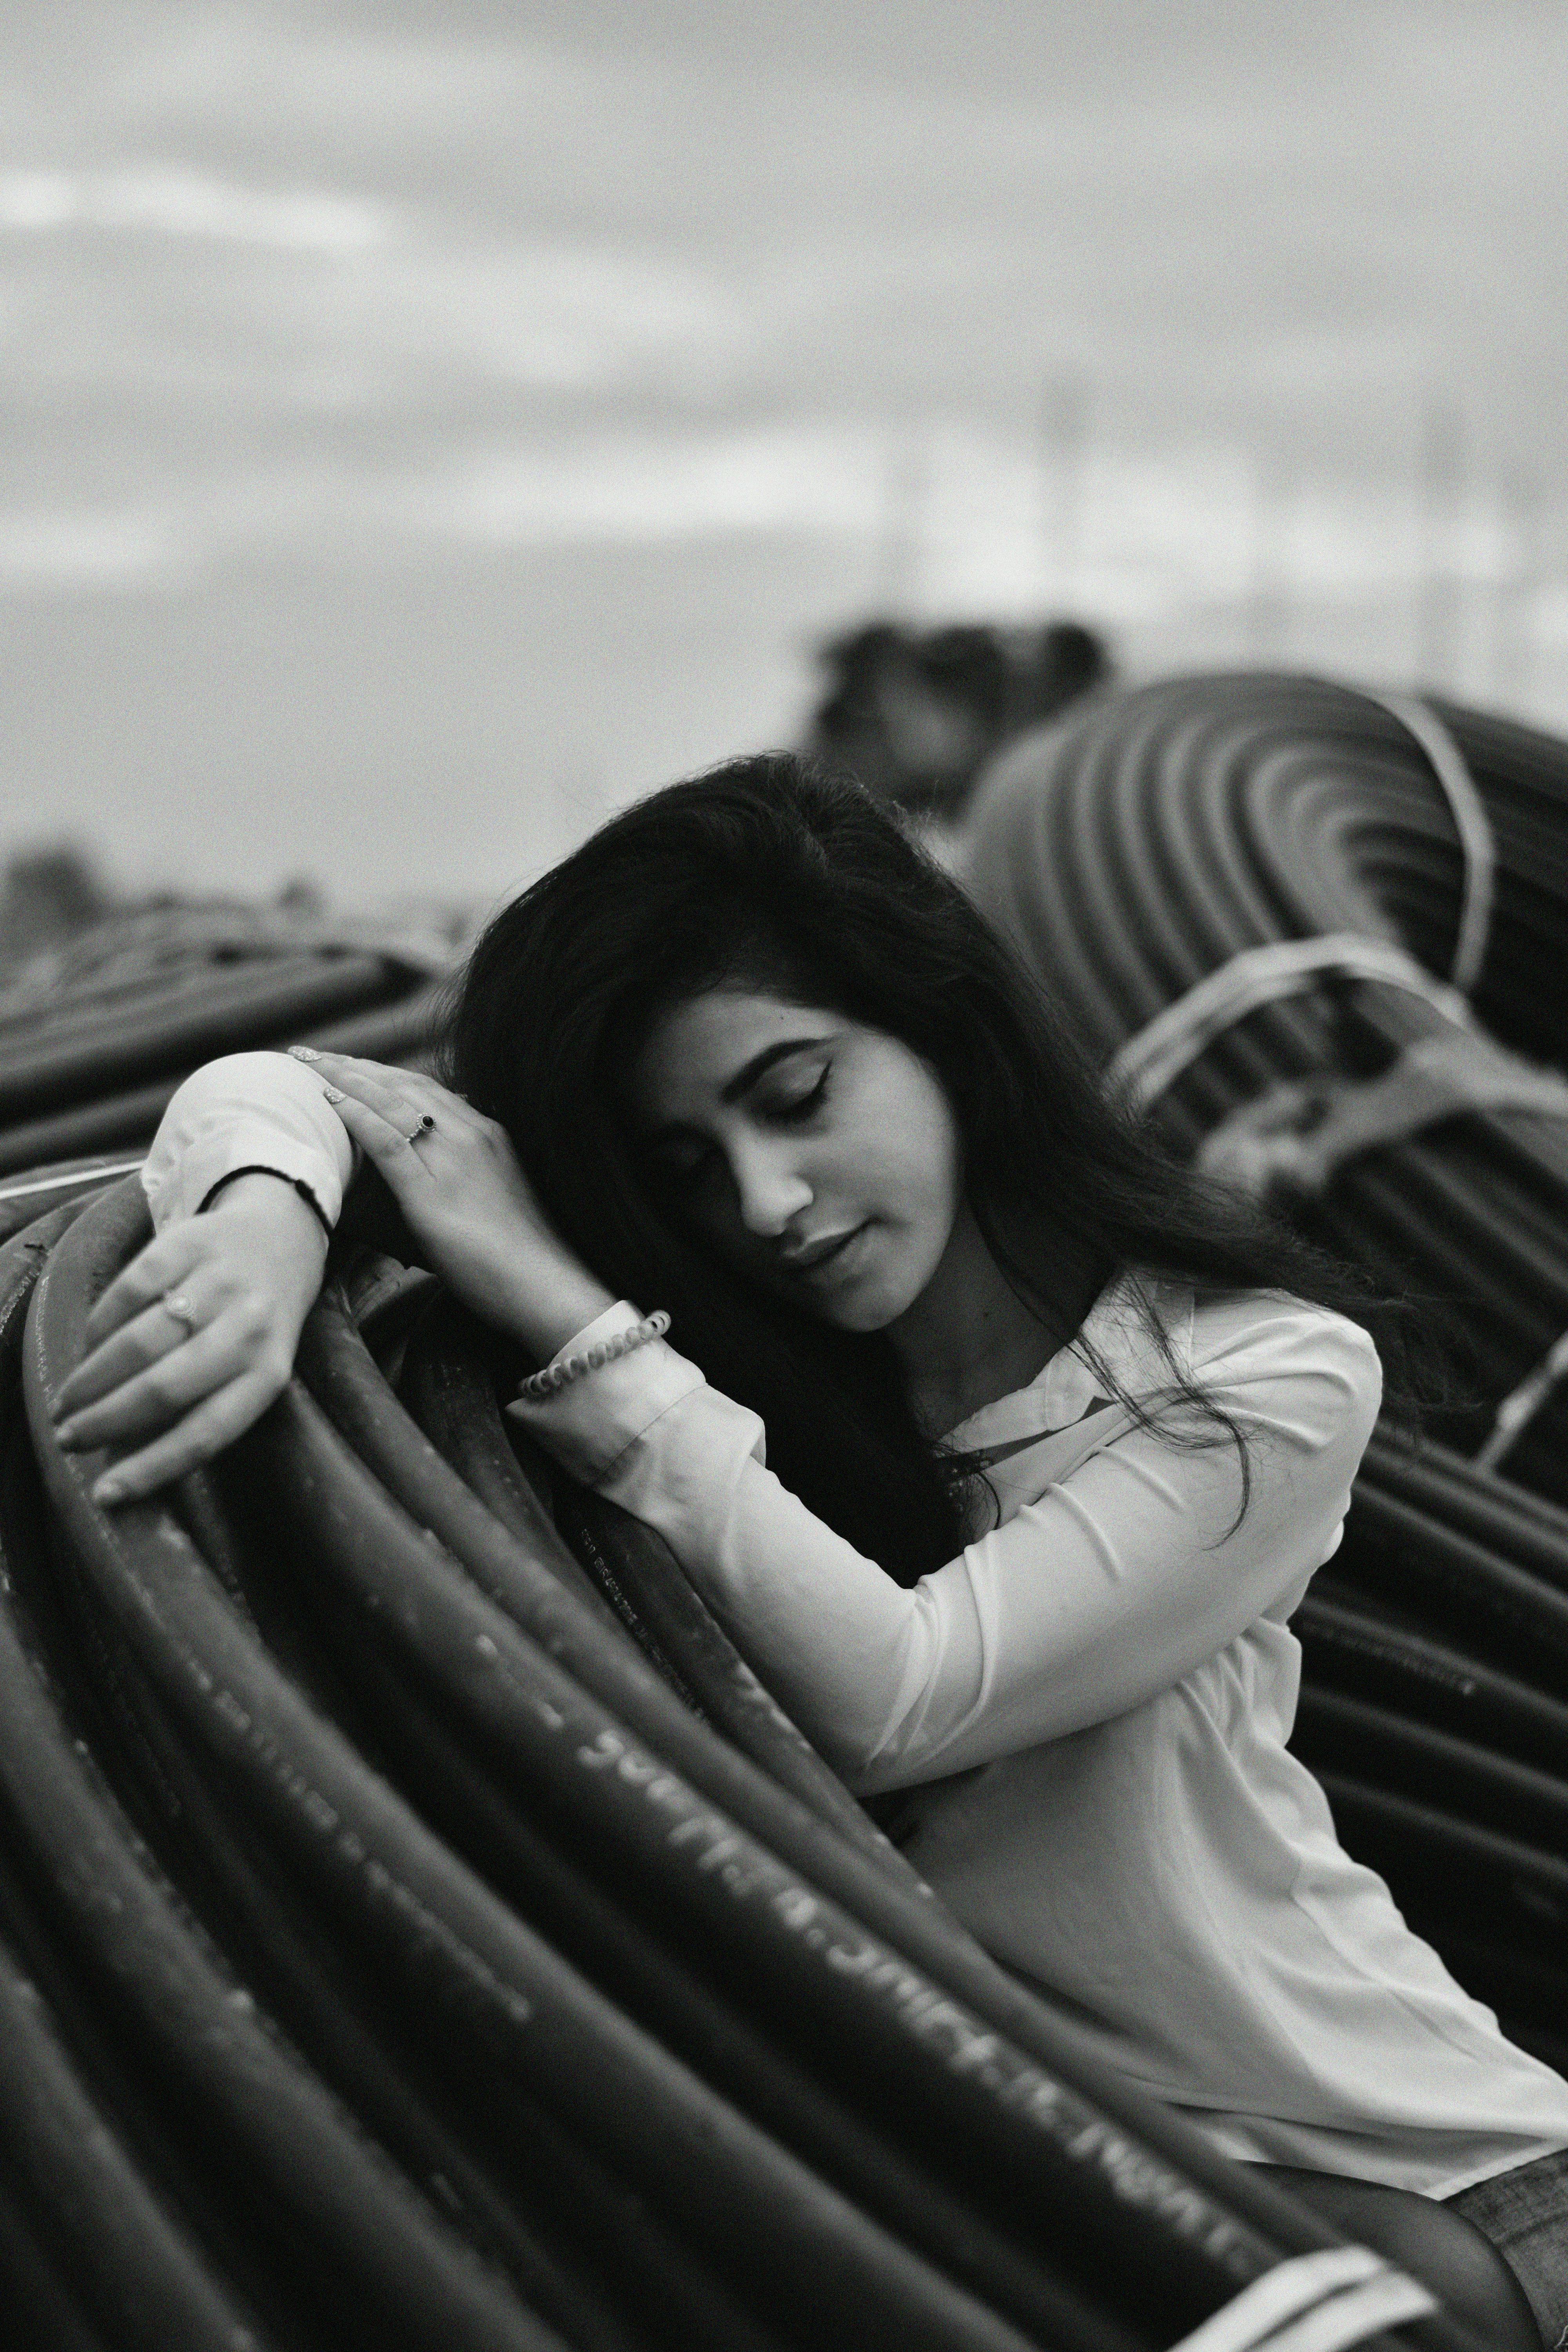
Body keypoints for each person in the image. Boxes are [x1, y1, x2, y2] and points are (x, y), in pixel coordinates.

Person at [51, 755, 1568, 2346]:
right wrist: (259, 1219)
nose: (766, 1203)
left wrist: (572, 1323)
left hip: (1443, 2204)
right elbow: (286, 1082)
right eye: (688, 1166)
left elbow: (901, 1694)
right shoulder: (746, 1365)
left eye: (796, 1097)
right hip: (1011, 2199)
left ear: (944, 1032)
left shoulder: (1258, 1379)